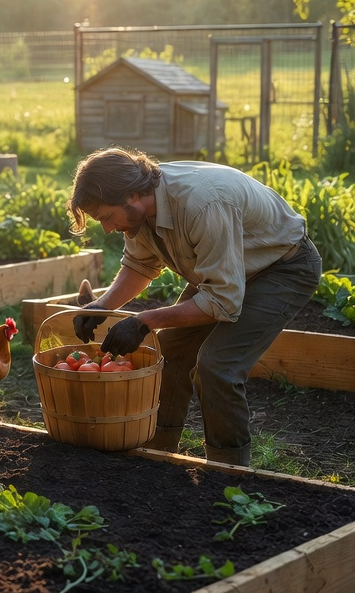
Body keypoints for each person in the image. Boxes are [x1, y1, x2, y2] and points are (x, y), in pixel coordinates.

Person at [66, 146, 321, 467]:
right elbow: (139, 266)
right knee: (171, 350)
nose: (106, 228)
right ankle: (156, 451)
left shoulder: (201, 204)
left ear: (132, 195)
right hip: (227, 271)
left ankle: (228, 473)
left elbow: (221, 301)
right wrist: (101, 307)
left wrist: (144, 321)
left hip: (282, 267)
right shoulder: (139, 212)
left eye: (106, 217)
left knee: (217, 366)